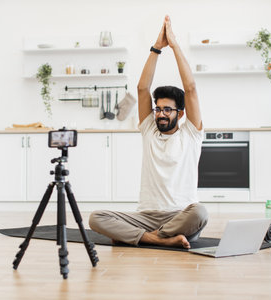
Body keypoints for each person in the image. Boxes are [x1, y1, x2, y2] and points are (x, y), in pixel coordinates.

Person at [89, 15, 208, 249]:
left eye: (168, 110)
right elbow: (142, 88)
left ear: (180, 113)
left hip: (181, 216)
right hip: (146, 216)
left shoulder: (191, 134)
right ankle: (159, 239)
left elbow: (191, 89)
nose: (161, 114)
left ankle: (142, 237)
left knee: (200, 212)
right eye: (158, 109)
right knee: (96, 218)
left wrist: (174, 45)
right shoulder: (149, 130)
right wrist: (156, 48)